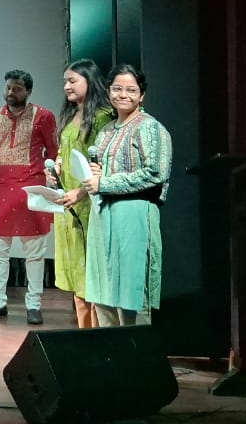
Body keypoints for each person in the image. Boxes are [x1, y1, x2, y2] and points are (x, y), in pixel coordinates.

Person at [82, 63, 174, 327]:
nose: (123, 95)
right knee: (103, 290)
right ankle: (110, 348)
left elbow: (155, 174)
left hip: (134, 214)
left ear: (141, 95)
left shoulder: (150, 127)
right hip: (103, 215)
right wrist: (95, 174)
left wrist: (105, 182)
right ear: (109, 91)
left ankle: (137, 347)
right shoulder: (106, 130)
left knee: (132, 290)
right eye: (117, 89)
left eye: (131, 90)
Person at [0, 70, 57, 325]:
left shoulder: (44, 117)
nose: (11, 92)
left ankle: (33, 305)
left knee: (35, 251)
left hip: (32, 188)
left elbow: (52, 151)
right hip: (0, 188)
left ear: (28, 91)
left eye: (17, 89)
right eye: (8, 88)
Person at [44, 59, 114, 328]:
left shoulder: (103, 117)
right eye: (65, 81)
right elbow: (64, 153)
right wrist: (55, 170)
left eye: (73, 81)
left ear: (90, 81)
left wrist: (81, 192)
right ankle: (84, 332)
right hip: (68, 204)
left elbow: (103, 166)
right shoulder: (70, 115)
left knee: (92, 276)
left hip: (89, 205)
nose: (66, 86)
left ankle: (97, 336)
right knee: (76, 276)